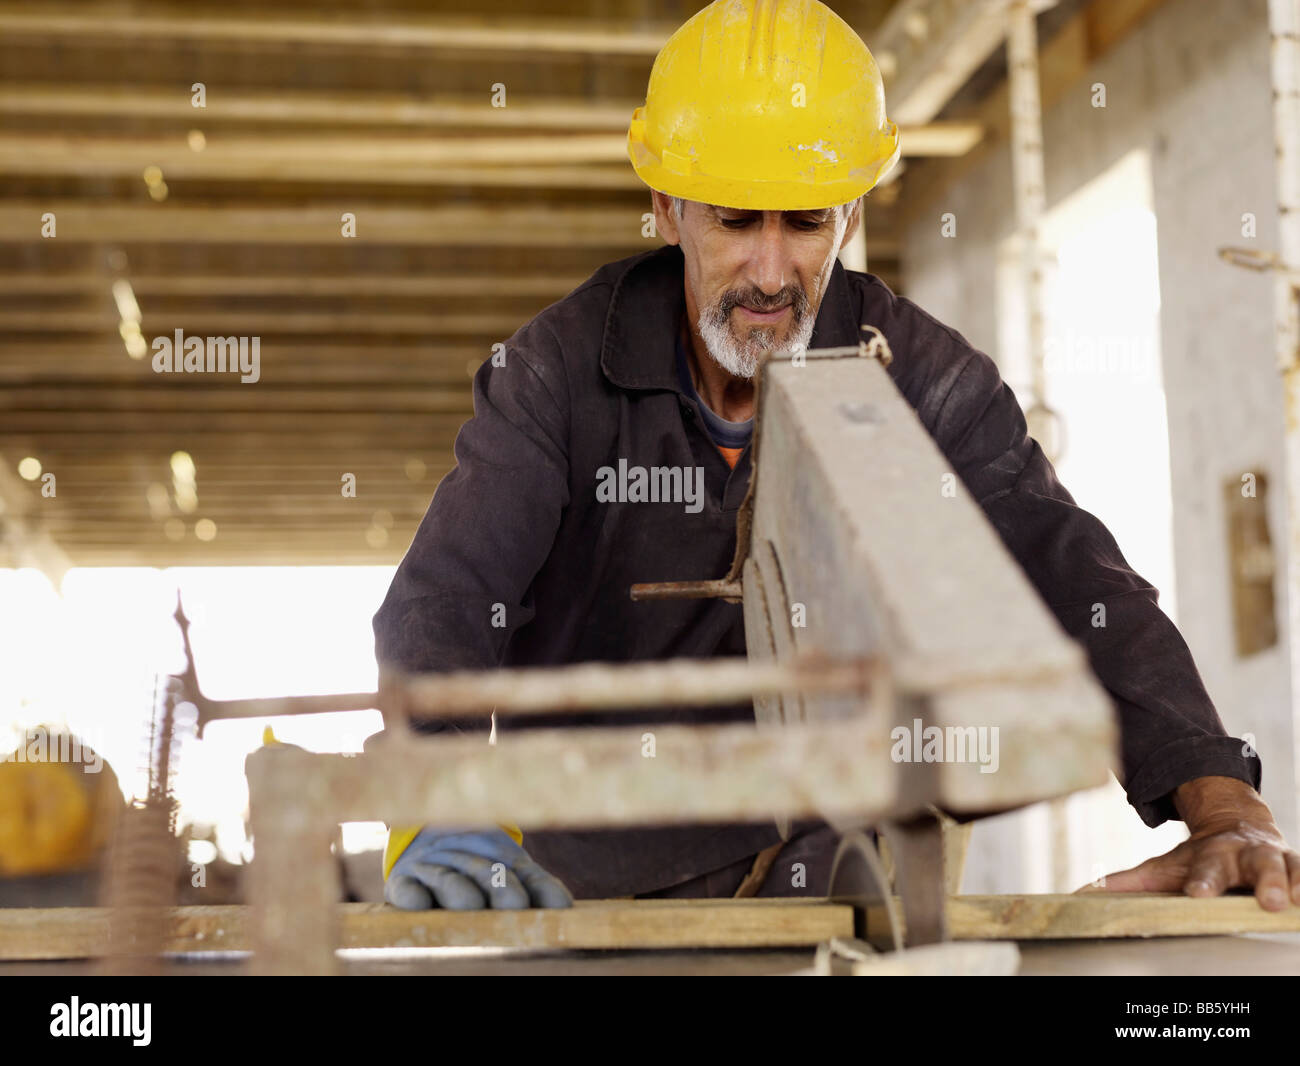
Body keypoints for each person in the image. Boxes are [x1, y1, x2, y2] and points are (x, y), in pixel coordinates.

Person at [373, 0, 1298, 912]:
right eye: (737, 223)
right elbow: (445, 600)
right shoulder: (557, 371)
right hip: (589, 889)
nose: (772, 273)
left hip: (841, 873)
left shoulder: (926, 376)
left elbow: (1071, 571)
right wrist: (440, 798)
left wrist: (1222, 803)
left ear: (849, 217)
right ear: (667, 209)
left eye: (806, 223)